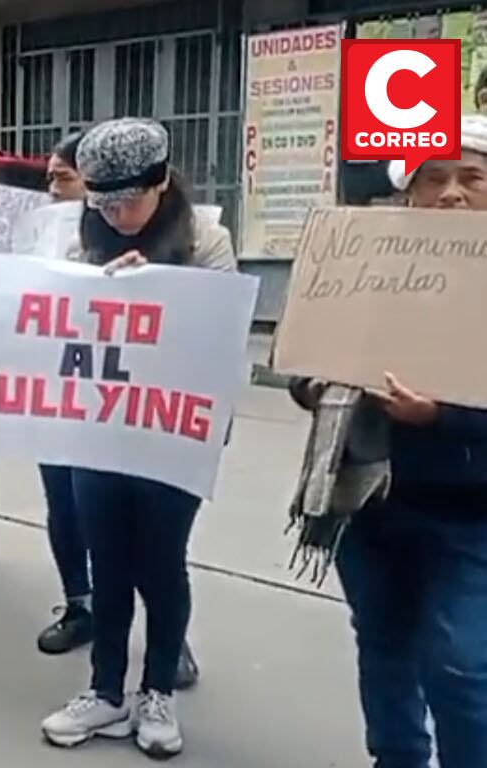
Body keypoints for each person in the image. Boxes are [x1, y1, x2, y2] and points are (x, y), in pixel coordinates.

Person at [288, 115, 487, 768]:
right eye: (434, 180)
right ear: (410, 194)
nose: (451, 194)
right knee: (383, 642)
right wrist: (317, 385)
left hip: (471, 517)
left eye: (471, 178)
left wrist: (441, 417)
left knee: (460, 666)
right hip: (369, 499)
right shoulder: (367, 264)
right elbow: (306, 363)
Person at [40, 118, 236, 759]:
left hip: (175, 429)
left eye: (129, 202)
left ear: (162, 182)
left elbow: (220, 333)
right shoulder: (81, 238)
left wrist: (156, 288)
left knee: (161, 560)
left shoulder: (205, 239)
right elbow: (60, 326)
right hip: (99, 427)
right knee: (108, 560)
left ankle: (158, 692)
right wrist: (99, 290)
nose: (118, 216)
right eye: (105, 205)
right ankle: (104, 690)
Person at [35, 131, 96, 654]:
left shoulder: (152, 234)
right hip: (56, 396)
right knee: (63, 506)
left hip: (117, 401)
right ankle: (80, 604)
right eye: (49, 178)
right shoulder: (38, 234)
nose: (53, 188)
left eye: (64, 177)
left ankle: (167, 629)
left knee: (137, 522)